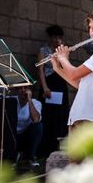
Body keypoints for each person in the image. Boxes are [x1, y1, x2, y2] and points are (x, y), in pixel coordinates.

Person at [36, 25, 69, 155]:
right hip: (49, 84)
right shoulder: (43, 50)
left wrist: (62, 53)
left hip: (60, 83)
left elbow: (66, 67)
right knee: (47, 115)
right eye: (55, 36)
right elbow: (40, 70)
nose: (57, 39)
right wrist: (45, 87)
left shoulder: (61, 51)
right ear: (50, 37)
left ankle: (59, 146)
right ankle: (44, 148)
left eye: (59, 37)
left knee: (60, 115)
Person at [14, 86, 43, 169]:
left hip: (25, 135)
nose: (23, 90)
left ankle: (31, 157)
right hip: (11, 135)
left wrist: (29, 100)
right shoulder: (11, 100)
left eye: (26, 88)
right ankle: (14, 156)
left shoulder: (36, 103)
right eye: (20, 88)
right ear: (16, 89)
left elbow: (36, 120)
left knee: (38, 126)